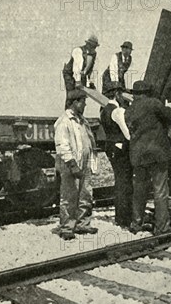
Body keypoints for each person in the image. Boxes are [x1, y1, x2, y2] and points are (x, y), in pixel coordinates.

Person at [125, 80, 171, 235]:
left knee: (139, 190)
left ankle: (136, 224)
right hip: (157, 153)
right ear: (148, 92)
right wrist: (168, 107)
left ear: (134, 94)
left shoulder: (128, 110)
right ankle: (161, 227)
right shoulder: (154, 103)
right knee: (160, 190)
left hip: (138, 155)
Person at [52, 89, 99, 240]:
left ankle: (82, 224)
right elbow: (62, 145)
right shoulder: (64, 121)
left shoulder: (82, 121)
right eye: (83, 102)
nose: (85, 105)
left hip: (84, 163)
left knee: (85, 193)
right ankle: (67, 227)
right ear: (75, 103)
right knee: (69, 196)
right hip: (70, 163)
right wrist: (72, 164)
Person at [99, 81, 133, 228]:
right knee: (124, 182)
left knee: (119, 180)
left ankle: (121, 217)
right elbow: (128, 134)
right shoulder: (118, 111)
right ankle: (124, 217)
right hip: (120, 148)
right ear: (117, 94)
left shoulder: (104, 110)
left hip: (111, 147)